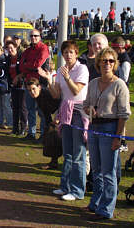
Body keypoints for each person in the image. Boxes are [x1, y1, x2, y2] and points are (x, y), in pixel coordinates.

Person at [83, 47, 131, 220]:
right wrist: (89, 110)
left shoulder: (120, 85)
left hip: (111, 129)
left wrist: (119, 137)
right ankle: (96, 201)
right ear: (98, 63)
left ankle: (106, 208)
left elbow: (124, 114)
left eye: (111, 61)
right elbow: (86, 104)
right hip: (94, 127)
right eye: (104, 61)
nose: (108, 64)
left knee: (108, 172)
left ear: (115, 64)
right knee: (96, 169)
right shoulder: (94, 83)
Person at [39, 40, 89, 201]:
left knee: (78, 153)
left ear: (76, 54)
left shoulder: (82, 69)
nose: (68, 55)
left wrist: (67, 77)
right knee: (67, 152)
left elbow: (76, 91)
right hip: (65, 110)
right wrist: (49, 79)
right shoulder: (61, 71)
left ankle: (78, 190)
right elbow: (56, 94)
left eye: (71, 52)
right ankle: (65, 186)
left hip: (79, 111)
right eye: (65, 52)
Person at [14, 29, 49, 141]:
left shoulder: (43, 48)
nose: (33, 38)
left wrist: (27, 65)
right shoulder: (28, 50)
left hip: (40, 84)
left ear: (40, 36)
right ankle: (31, 133)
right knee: (30, 109)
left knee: (41, 111)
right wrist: (31, 66)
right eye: (32, 36)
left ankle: (43, 135)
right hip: (28, 83)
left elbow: (38, 64)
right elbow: (21, 66)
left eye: (36, 36)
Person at [26, 78, 61, 169]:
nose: (32, 92)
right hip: (52, 118)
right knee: (50, 137)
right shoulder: (38, 97)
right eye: (29, 90)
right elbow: (46, 112)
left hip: (61, 116)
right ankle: (54, 162)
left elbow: (58, 102)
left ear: (39, 87)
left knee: (55, 139)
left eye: (34, 89)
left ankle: (57, 163)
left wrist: (57, 118)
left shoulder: (45, 93)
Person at [5, 40, 27, 135]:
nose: (10, 50)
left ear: (16, 48)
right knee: (15, 107)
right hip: (13, 86)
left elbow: (25, 70)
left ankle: (23, 128)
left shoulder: (21, 57)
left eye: (11, 48)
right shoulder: (9, 59)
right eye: (8, 48)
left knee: (22, 108)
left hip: (22, 86)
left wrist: (18, 77)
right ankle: (15, 128)